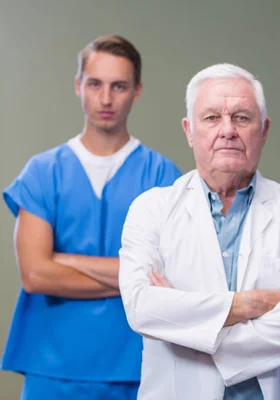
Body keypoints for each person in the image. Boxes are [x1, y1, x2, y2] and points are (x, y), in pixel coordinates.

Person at [119, 63, 280, 400]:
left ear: (264, 130)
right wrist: (248, 304)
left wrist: (185, 326)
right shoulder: (151, 209)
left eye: (242, 117)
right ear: (189, 130)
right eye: (212, 118)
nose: (228, 130)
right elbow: (142, 307)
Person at [2, 34, 182, 399]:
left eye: (119, 86)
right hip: (52, 369)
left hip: (137, 367)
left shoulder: (163, 177)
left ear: (137, 91)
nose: (105, 99)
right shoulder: (43, 172)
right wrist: (130, 280)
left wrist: (63, 260)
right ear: (78, 86)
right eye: (95, 84)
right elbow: (35, 275)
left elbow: (166, 278)